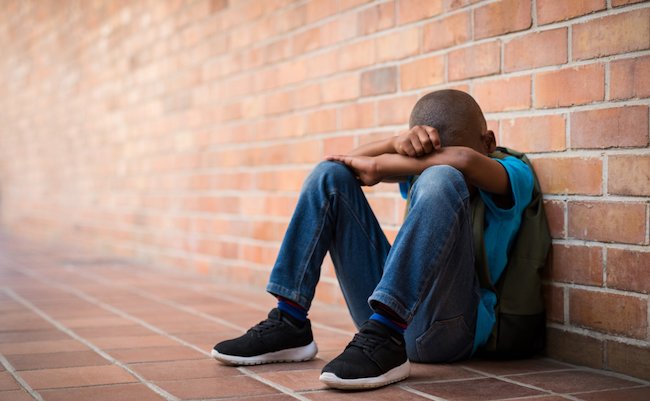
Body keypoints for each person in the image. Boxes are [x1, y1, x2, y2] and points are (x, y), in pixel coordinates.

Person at [211, 89, 534, 390]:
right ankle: (290, 319)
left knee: (443, 177)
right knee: (329, 175)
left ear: (488, 142)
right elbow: (342, 161)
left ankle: (387, 335)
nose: (428, 165)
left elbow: (463, 161)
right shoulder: (422, 169)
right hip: (381, 323)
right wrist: (395, 143)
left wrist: (381, 165)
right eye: (426, 158)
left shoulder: (512, 172)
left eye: (437, 157)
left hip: (451, 331)